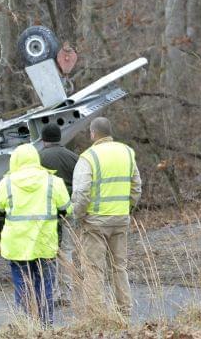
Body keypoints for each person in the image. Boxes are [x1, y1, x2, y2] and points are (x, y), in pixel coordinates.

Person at [0, 144, 72, 327]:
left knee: (22, 285)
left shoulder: (7, 183)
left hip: (17, 245)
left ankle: (26, 325)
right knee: (45, 285)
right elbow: (67, 208)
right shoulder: (54, 181)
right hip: (45, 243)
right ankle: (45, 325)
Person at [71, 117, 142, 317]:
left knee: (94, 269)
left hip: (95, 223)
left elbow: (82, 192)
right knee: (119, 267)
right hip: (120, 219)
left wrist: (79, 215)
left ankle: (96, 314)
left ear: (93, 134)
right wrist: (126, 208)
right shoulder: (127, 153)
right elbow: (136, 187)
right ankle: (124, 311)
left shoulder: (88, 157)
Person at [38, 124, 79, 306]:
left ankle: (52, 293)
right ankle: (67, 294)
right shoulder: (73, 157)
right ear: (60, 137)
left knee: (49, 252)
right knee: (67, 251)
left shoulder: (39, 158)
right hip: (69, 209)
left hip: (46, 212)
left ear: (43, 139)